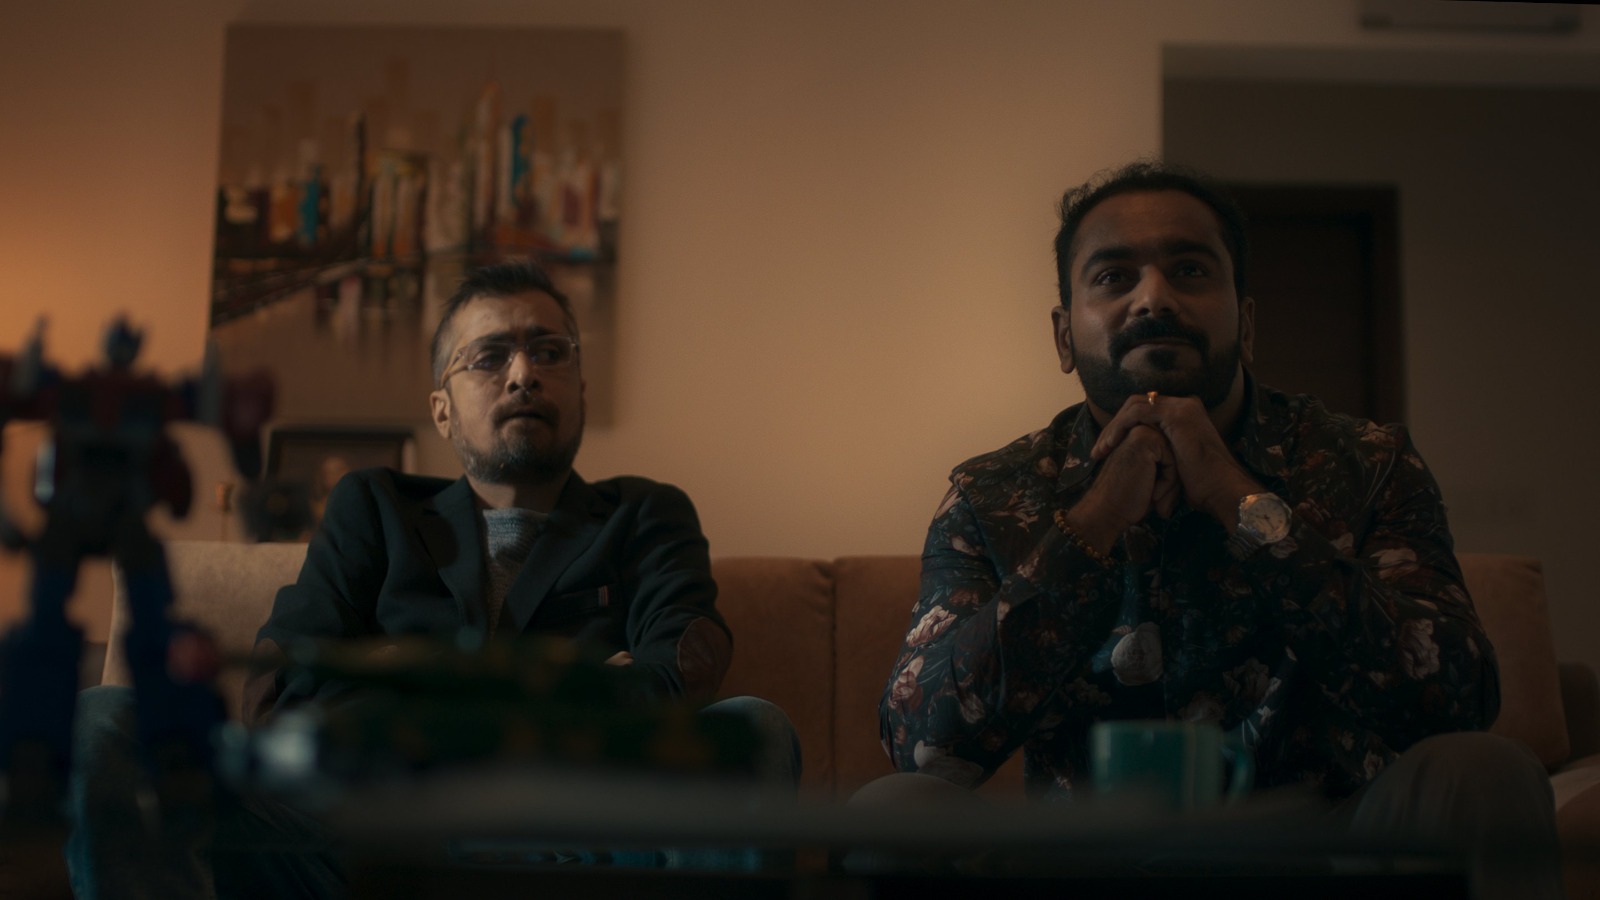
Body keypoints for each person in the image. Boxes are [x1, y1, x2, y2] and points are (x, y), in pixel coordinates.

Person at [868, 161, 1559, 898]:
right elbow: (924, 747)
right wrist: (1095, 518)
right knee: (894, 812)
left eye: (1190, 270)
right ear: (1065, 336)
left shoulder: (1368, 463)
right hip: (1078, 862)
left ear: (1246, 323)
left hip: (1327, 855)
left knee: (1484, 771)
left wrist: (1238, 498)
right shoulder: (992, 494)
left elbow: (1456, 701)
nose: (1154, 298)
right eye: (1113, 277)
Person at [67, 260, 800, 900]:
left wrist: (405, 682)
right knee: (107, 717)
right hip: (367, 850)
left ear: (578, 385)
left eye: (549, 351)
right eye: (489, 357)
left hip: (584, 850)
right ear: (442, 410)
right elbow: (282, 692)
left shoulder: (647, 514)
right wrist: (569, 690)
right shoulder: (373, 505)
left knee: (754, 728)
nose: (524, 373)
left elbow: (680, 678)